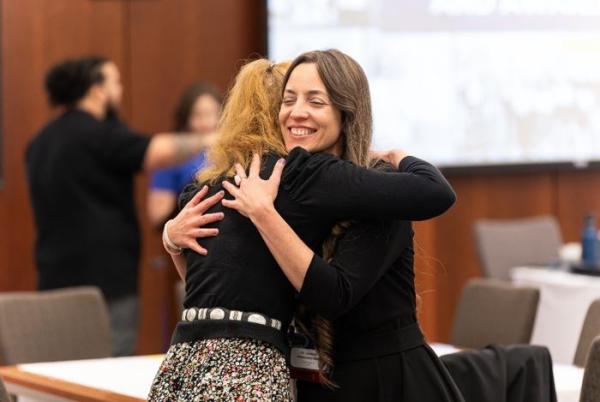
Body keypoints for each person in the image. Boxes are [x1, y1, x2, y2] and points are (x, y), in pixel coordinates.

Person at [149, 52, 455, 401]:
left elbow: (334, 295)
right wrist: (172, 238)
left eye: (315, 101)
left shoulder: (325, 182)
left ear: (346, 111)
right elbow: (226, 289)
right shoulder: (269, 183)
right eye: (288, 99)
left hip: (383, 382)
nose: (296, 112)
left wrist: (401, 157)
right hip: (305, 379)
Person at [26, 56, 212, 356]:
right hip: (106, 281)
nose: (120, 90)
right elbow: (156, 151)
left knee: (61, 365)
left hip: (54, 277)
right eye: (115, 82)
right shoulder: (100, 134)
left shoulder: (40, 142)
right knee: (109, 365)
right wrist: (214, 139)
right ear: (98, 90)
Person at [147, 82, 223, 229]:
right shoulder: (172, 157)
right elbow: (157, 216)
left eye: (213, 114)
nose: (207, 122)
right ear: (186, 118)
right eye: (198, 115)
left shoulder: (235, 150)